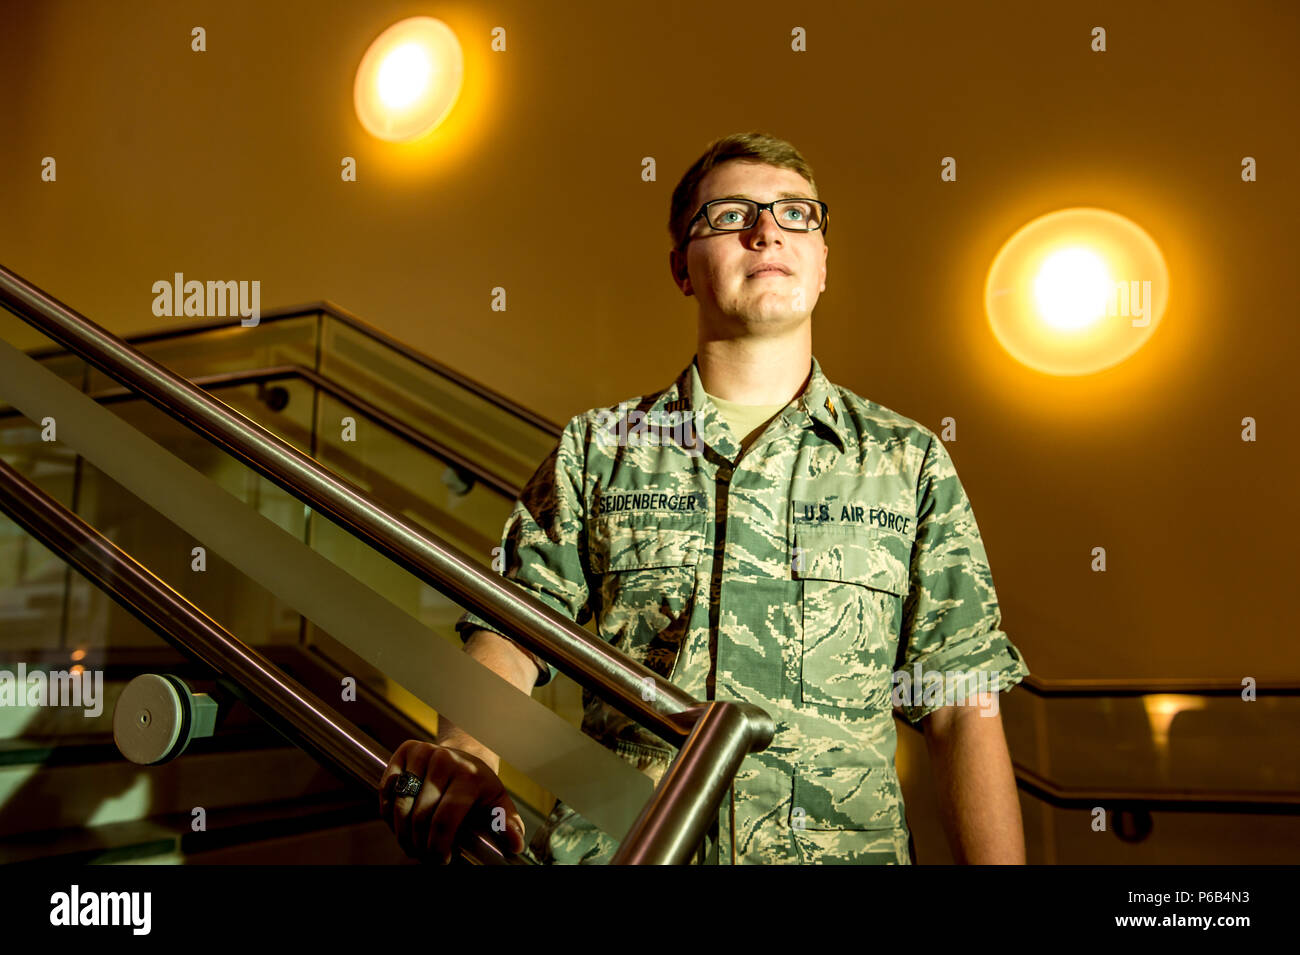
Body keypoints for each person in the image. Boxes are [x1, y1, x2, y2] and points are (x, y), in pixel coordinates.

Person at [379, 131, 1030, 865]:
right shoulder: (599, 450)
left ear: (822, 264)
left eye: (796, 214)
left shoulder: (905, 461)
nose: (766, 230)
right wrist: (466, 756)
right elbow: (507, 632)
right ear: (681, 269)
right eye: (729, 215)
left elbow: (959, 701)